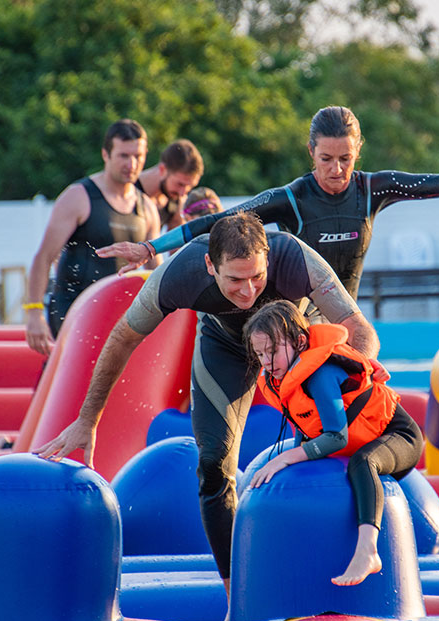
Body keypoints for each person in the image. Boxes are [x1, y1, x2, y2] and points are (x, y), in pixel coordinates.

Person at [35, 213, 380, 600]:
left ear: (268, 260)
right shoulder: (180, 274)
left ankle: (346, 555)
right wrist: (88, 418)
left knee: (328, 439)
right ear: (210, 266)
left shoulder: (296, 258)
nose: (249, 291)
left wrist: (345, 390)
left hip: (296, 343)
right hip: (227, 346)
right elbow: (121, 338)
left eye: (257, 277)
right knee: (214, 465)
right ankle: (239, 595)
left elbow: (361, 331)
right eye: (234, 280)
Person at [95, 106, 439, 298]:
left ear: (358, 153)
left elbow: (432, 183)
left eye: (346, 159)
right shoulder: (292, 199)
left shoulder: (372, 188)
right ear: (310, 152)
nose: (336, 170)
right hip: (294, 321)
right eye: (326, 159)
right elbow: (220, 220)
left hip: (347, 319)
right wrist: (151, 248)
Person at [244, 299, 422, 586]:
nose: (266, 362)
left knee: (363, 463)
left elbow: (337, 437)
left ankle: (368, 550)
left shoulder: (321, 374)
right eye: (260, 353)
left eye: (272, 351)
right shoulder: (283, 379)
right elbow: (307, 426)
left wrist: (286, 458)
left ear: (300, 342)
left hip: (397, 435)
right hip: (361, 439)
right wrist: (294, 454)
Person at [24, 119, 161, 356]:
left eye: (138, 156)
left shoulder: (146, 207)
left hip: (123, 319)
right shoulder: (78, 197)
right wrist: (34, 312)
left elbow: (155, 274)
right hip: (75, 313)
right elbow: (44, 256)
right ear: (105, 154)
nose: (132, 164)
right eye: (123, 155)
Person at [136, 139, 204, 231]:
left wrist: (179, 219)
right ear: (162, 169)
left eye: (190, 187)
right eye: (180, 184)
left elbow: (175, 243)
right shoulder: (128, 190)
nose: (182, 193)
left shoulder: (174, 199)